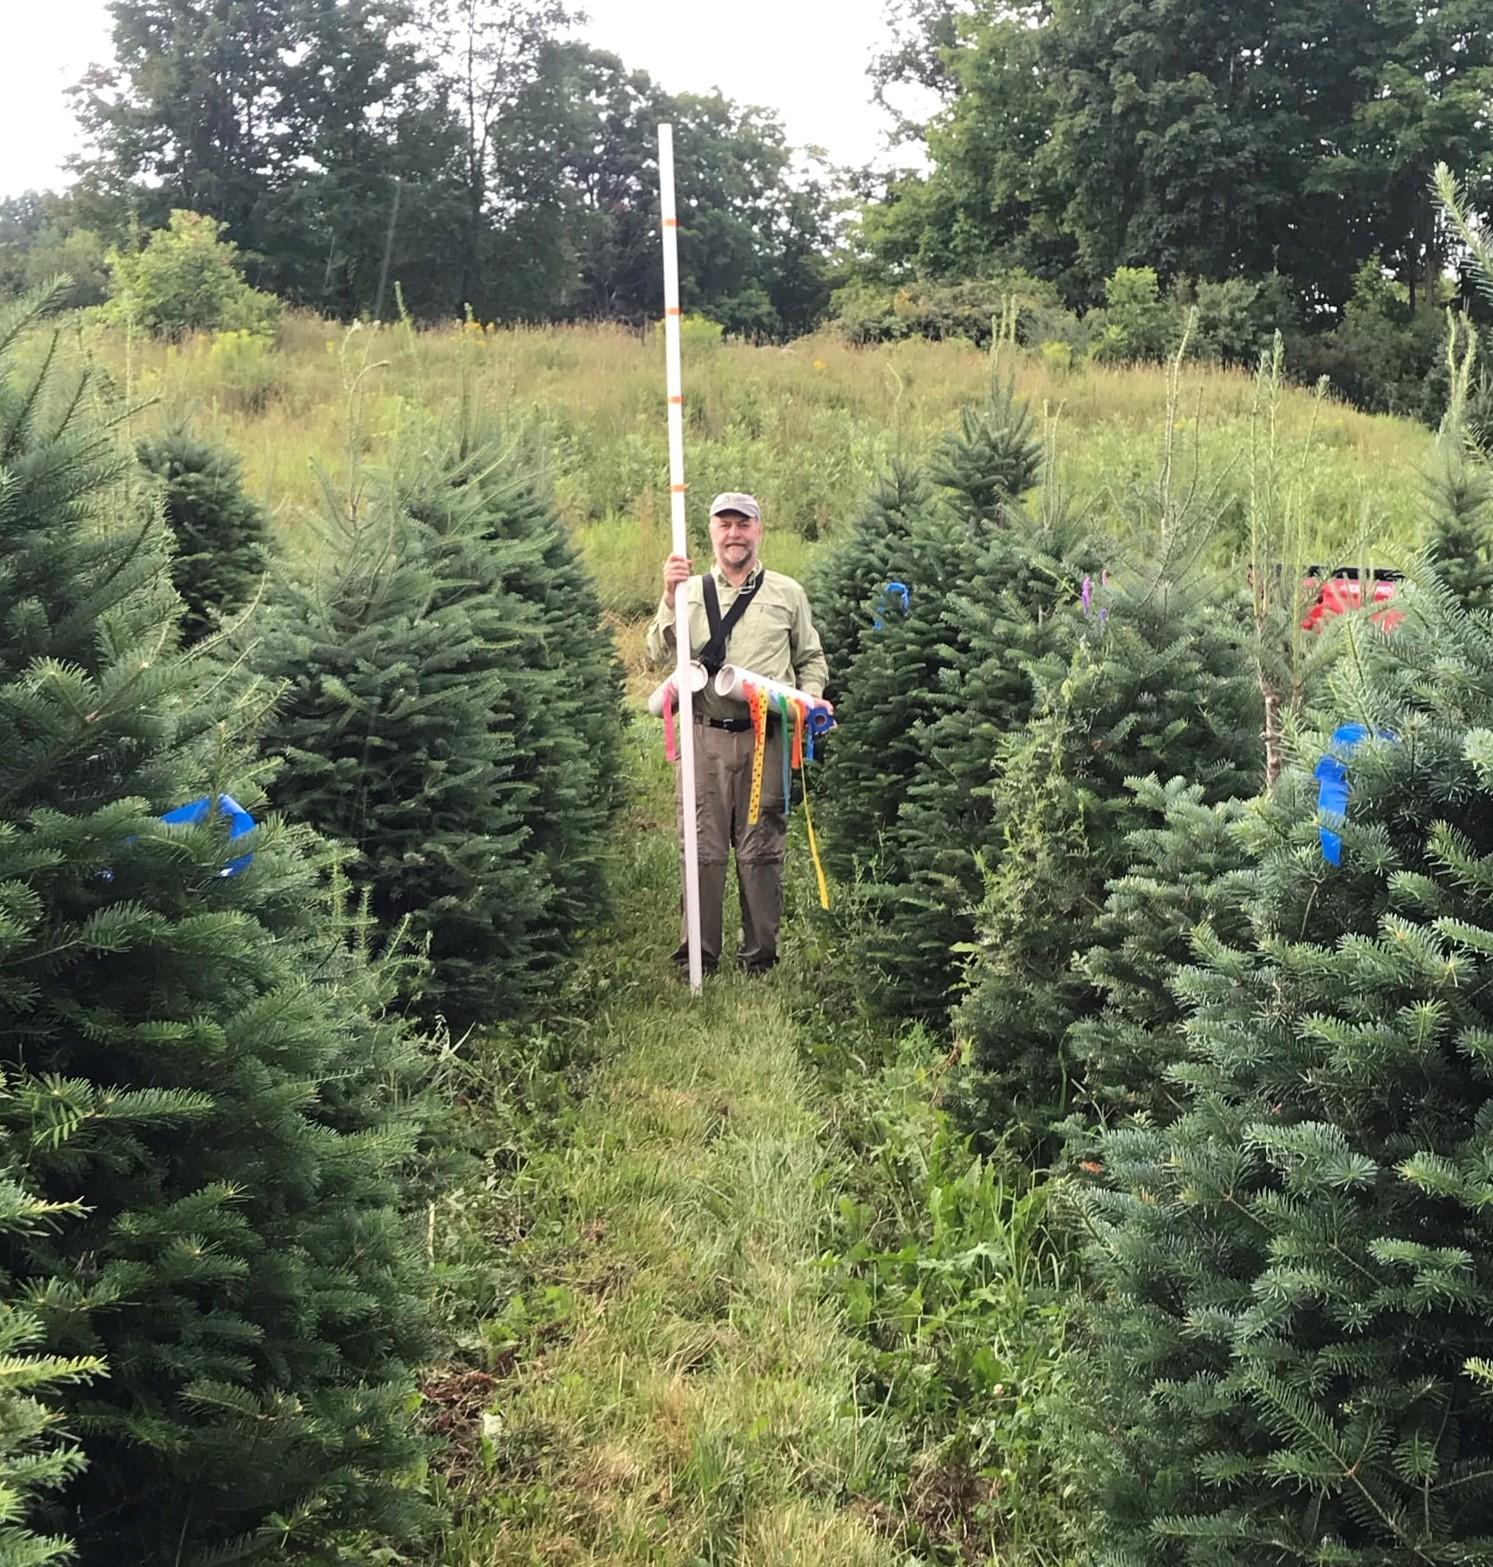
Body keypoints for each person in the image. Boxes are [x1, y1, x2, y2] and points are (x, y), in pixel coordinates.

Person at [646, 491, 829, 977]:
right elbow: (657, 654)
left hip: (765, 738)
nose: (734, 533)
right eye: (724, 524)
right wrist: (668, 598)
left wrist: (807, 701)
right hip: (704, 735)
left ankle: (759, 959)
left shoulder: (787, 594)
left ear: (759, 530)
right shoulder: (688, 591)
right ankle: (697, 958)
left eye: (743, 524)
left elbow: (811, 660)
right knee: (701, 847)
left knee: (761, 847)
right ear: (711, 532)